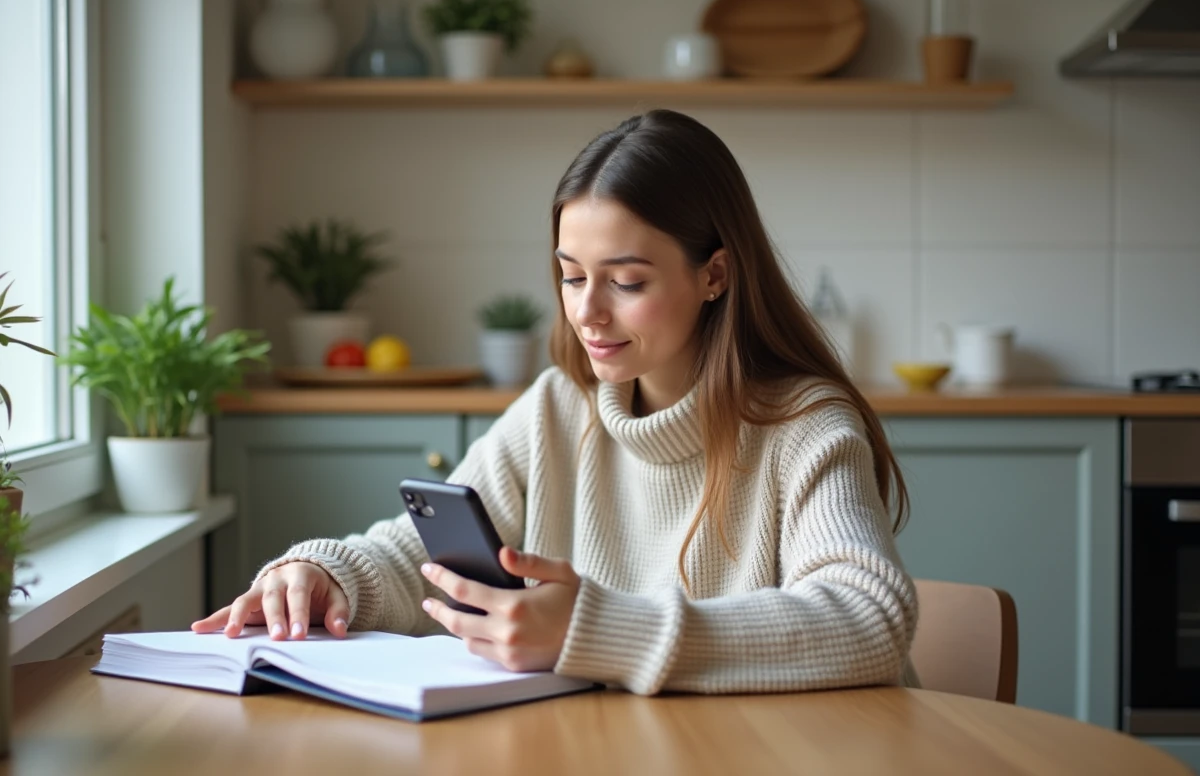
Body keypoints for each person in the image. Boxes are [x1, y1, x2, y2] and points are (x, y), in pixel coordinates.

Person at [193, 109, 920, 695]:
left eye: (627, 281)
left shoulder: (805, 425)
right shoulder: (559, 408)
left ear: (715, 275)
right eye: (572, 277)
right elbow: (419, 557)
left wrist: (598, 631)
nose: (589, 313)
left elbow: (871, 617)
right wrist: (325, 575)